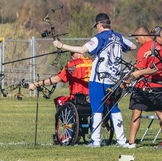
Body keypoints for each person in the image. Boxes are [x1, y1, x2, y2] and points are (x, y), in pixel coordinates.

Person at [53, 12, 135, 147]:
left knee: (97, 108)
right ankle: (122, 141)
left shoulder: (99, 38)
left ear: (100, 24)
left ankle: (95, 141)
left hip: (98, 79)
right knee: (113, 108)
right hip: (113, 79)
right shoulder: (119, 37)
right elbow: (132, 46)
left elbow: (82, 49)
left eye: (96, 26)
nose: (96, 28)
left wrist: (62, 46)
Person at [125, 27, 162, 147]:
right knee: (161, 113)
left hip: (144, 86)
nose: (137, 41)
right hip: (158, 85)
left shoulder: (144, 49)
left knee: (136, 113)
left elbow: (140, 69)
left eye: (137, 38)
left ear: (143, 35)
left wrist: (129, 79)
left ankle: (131, 142)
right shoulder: (159, 46)